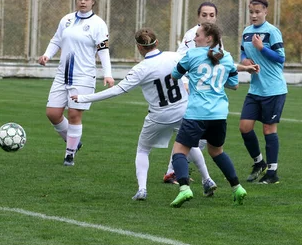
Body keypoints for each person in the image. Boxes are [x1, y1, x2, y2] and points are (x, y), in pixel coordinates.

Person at [71, 28, 215, 201]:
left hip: (159, 115)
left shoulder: (141, 68)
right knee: (190, 145)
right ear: (157, 43)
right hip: (182, 110)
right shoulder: (174, 57)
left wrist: (84, 97)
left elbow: (117, 90)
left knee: (143, 149)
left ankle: (142, 190)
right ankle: (207, 179)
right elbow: (201, 67)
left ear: (139, 48)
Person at [169, 22, 258, 208]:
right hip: (218, 114)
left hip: (197, 112)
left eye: (198, 35)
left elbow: (175, 75)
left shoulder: (191, 54)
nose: (194, 38)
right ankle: (237, 187)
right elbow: (233, 85)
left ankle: (184, 188)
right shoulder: (226, 57)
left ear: (209, 38)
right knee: (216, 151)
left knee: (179, 151)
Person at [38, 0, 113, 166]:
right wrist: (47, 55)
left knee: (73, 114)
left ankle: (69, 154)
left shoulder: (98, 24)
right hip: (62, 74)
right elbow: (56, 40)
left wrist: (108, 74)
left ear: (93, 1)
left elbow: (103, 50)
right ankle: (74, 142)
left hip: (84, 76)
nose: (82, 2)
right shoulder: (67, 19)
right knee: (52, 113)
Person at [163, 2, 219, 184]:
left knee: (196, 135)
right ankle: (174, 171)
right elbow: (180, 60)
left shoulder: (213, 36)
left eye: (211, 15)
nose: (208, 18)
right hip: (189, 90)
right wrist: (185, 81)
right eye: (204, 15)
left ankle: (175, 170)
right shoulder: (193, 35)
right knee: (194, 134)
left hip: (204, 92)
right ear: (198, 16)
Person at [239, 0, 288, 184]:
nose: (254, 15)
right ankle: (259, 162)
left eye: (258, 12)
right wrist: (246, 63)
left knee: (269, 129)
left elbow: (280, 58)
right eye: (251, 12)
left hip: (274, 90)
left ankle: (272, 173)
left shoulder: (272, 31)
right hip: (255, 90)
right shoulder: (246, 32)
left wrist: (262, 48)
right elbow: (243, 54)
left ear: (265, 11)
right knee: (244, 127)